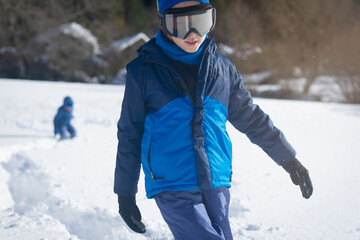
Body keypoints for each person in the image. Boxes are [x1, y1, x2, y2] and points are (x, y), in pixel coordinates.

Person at [114, 1, 313, 239]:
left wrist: (289, 159)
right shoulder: (143, 72)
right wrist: (125, 194)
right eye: (181, 25)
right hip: (172, 183)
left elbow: (252, 119)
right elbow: (130, 134)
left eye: (200, 23)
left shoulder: (223, 70)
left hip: (216, 179)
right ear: (164, 24)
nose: (193, 34)